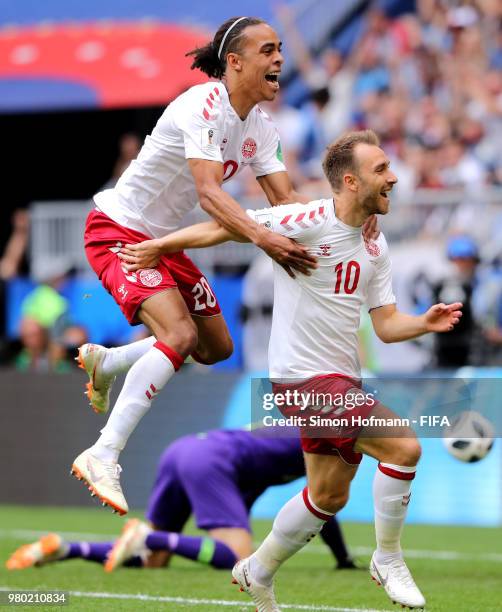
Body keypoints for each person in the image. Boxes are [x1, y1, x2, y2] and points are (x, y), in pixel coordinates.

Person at [119, 130, 462, 610]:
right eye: (381, 170)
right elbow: (226, 228)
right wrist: (159, 247)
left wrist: (424, 323)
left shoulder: (375, 247)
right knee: (403, 444)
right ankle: (388, 559)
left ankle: (257, 571)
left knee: (327, 498)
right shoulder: (305, 219)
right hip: (302, 378)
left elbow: (385, 325)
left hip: (341, 380)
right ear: (349, 180)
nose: (393, 177)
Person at [72, 15, 324, 517]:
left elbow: (285, 201)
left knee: (215, 348)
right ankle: (104, 452)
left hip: (164, 241)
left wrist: (334, 227)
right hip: (118, 230)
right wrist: (266, 238)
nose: (279, 60)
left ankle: (111, 360)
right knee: (180, 337)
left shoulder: (262, 127)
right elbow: (210, 195)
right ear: (234, 62)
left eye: (280, 50)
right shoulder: (203, 105)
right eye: (268, 51)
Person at [7, 429, 356, 573]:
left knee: (153, 561)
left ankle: (65, 549)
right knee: (239, 557)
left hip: (182, 451)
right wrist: (342, 559)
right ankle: (147, 536)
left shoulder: (287, 441)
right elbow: (323, 504)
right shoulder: (322, 442)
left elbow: (256, 486)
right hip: (209, 460)